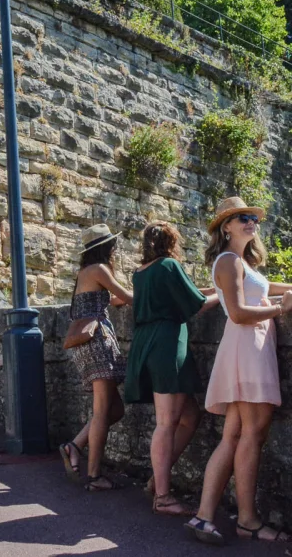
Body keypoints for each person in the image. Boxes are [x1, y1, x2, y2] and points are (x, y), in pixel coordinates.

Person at [186, 197, 292, 545]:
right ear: (225, 227)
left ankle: (203, 517)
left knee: (233, 436)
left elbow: (267, 289)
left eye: (252, 218)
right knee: (253, 434)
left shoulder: (242, 263)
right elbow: (238, 313)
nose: (251, 222)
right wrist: (278, 310)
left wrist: (284, 294)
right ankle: (247, 520)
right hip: (247, 348)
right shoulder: (229, 260)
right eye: (242, 218)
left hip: (247, 348)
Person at [124, 221, 218, 516]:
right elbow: (197, 304)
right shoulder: (168, 265)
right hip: (167, 342)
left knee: (190, 416)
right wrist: (227, 294)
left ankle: (157, 479)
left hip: (145, 342)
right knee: (166, 422)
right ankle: (163, 497)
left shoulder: (140, 273)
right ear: (171, 242)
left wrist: (218, 287)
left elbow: (185, 291)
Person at [59, 224, 133, 491]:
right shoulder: (100, 270)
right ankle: (93, 476)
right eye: (113, 245)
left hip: (88, 342)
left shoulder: (85, 273)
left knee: (115, 409)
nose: (116, 249)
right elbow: (127, 297)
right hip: (97, 341)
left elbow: (110, 299)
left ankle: (75, 446)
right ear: (106, 248)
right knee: (103, 412)